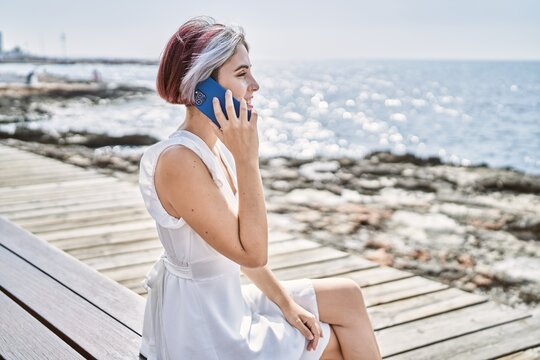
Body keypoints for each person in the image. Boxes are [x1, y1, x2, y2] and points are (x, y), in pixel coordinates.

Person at [138, 15, 382, 359]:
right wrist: (248, 160)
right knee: (332, 341)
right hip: (201, 324)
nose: (255, 85)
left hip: (224, 297)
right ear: (201, 88)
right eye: (241, 74)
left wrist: (286, 304)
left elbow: (234, 247)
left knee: (347, 295)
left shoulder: (214, 149)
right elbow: (252, 252)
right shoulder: (179, 161)